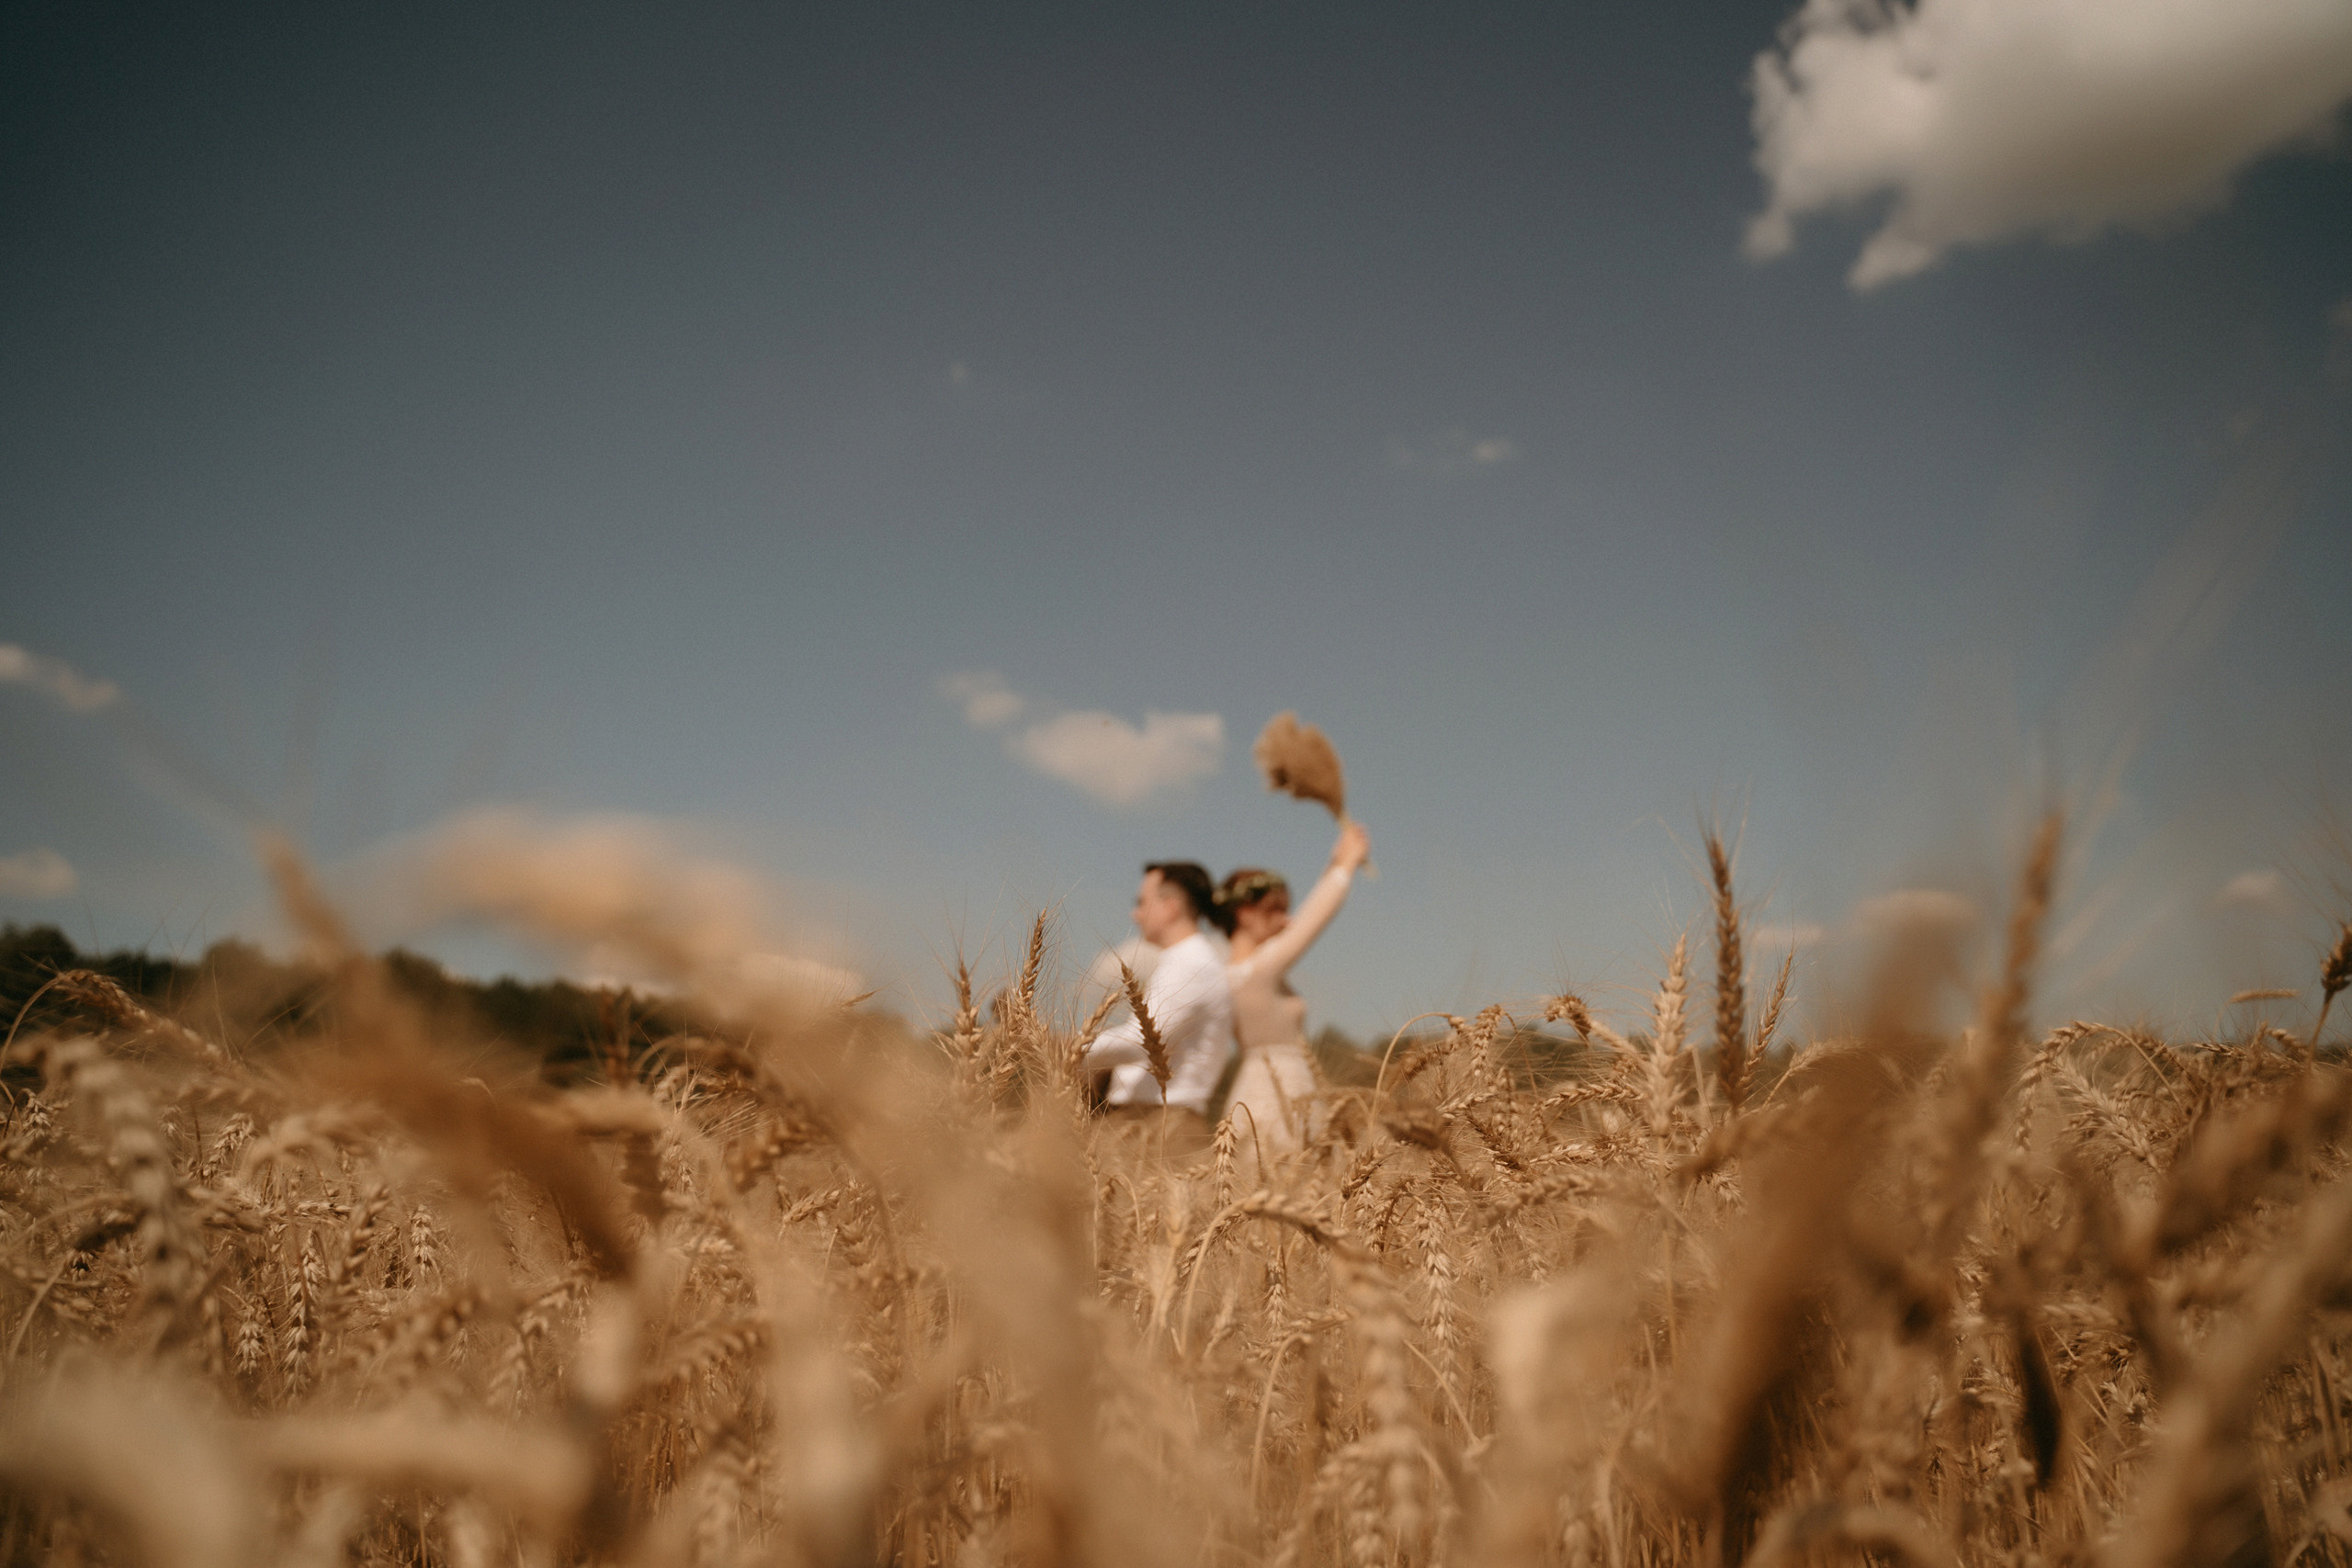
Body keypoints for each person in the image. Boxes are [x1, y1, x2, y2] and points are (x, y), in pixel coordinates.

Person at [1216, 819, 1372, 1164]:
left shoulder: (1240, 973)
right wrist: (1347, 864)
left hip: (1280, 1090)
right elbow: (1312, 919)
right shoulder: (1253, 972)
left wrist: (1334, 861)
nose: (1287, 922)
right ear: (1244, 913)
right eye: (1276, 911)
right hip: (1276, 1096)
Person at [1080, 860, 1236, 1153]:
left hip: (1159, 1123)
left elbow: (1145, 1040)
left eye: (1142, 902)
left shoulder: (1191, 964)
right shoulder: (1189, 961)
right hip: (1155, 1119)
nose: (1135, 913)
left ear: (1171, 906)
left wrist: (1072, 1047)